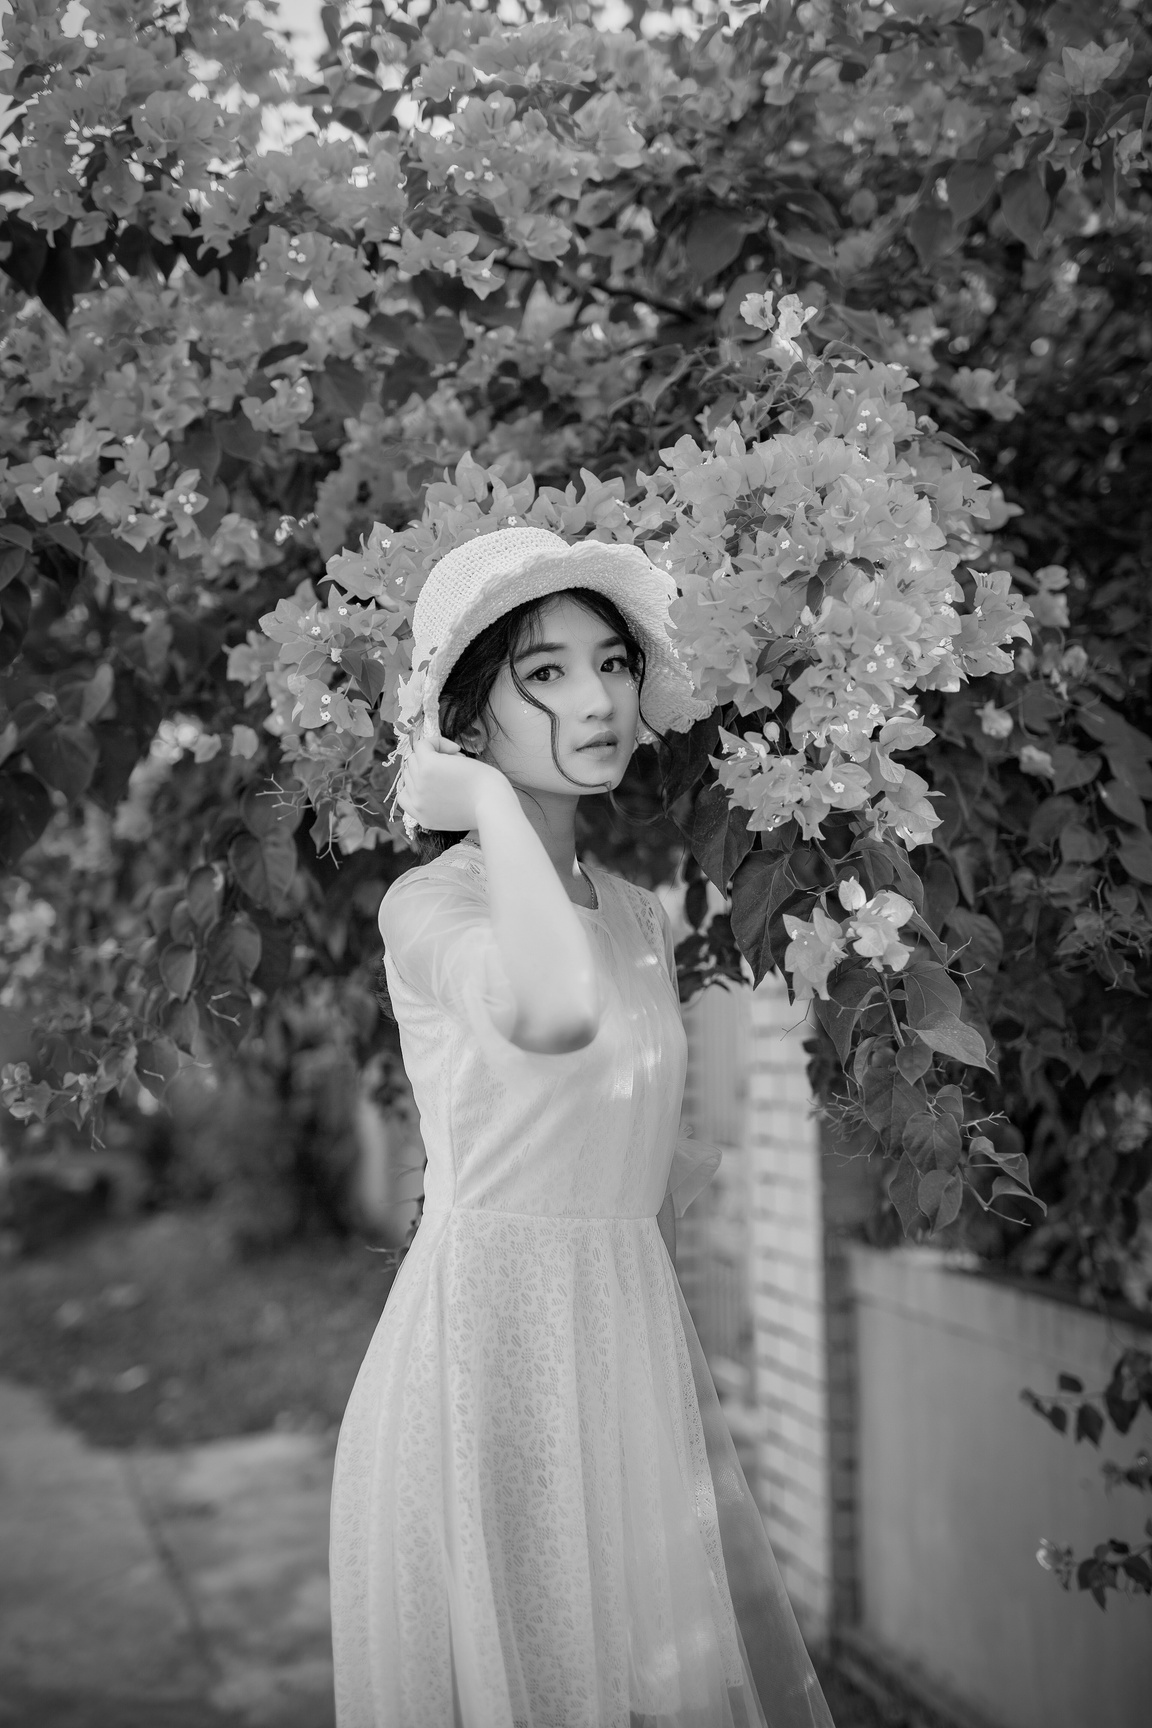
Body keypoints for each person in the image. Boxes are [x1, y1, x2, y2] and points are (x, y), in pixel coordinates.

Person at [329, 527, 835, 1728]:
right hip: (484, 1360)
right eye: (543, 673)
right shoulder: (429, 905)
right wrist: (490, 808)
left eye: (609, 663)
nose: (598, 696)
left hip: (619, 1355)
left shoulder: (638, 917)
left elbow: (641, 1182)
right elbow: (549, 1012)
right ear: (464, 723)